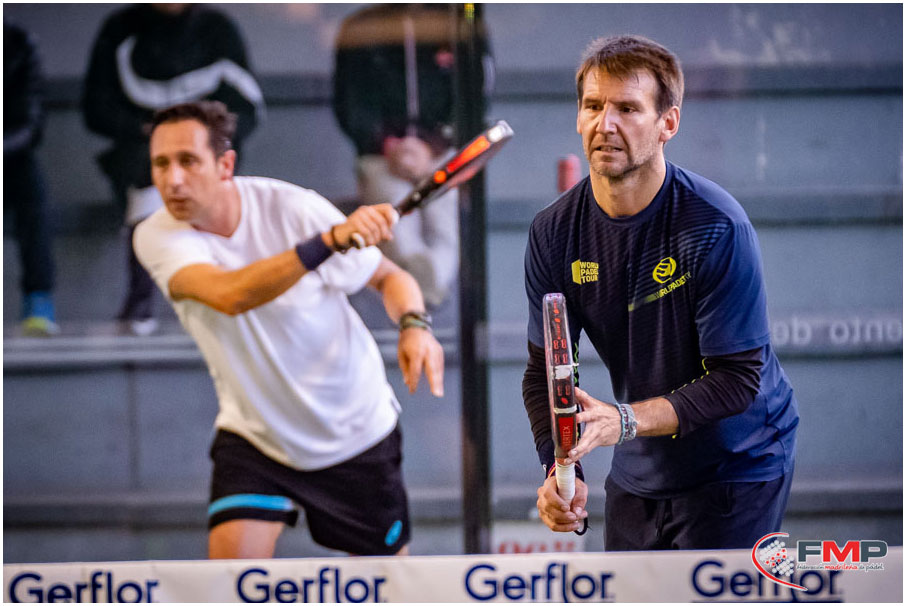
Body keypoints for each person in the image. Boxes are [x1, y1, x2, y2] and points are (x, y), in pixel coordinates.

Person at [522, 35, 799, 550]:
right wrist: (561, 472)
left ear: (668, 123)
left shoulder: (716, 226)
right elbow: (544, 372)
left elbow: (737, 380)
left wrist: (623, 420)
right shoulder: (552, 232)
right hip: (639, 466)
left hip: (737, 465)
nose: (606, 124)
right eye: (593, 106)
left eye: (627, 108)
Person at [133, 101, 444, 558]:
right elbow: (230, 295)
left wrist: (415, 325)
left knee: (388, 586)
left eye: (188, 161)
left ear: (225, 165)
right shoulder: (156, 235)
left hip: (355, 432)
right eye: (161, 163)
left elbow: (390, 277)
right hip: (256, 438)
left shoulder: (294, 208)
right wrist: (328, 242)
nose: (173, 179)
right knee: (227, 585)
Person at [83, 3, 264, 335]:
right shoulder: (122, 29)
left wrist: (204, 142)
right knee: (149, 193)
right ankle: (141, 300)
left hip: (210, 156)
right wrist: (151, 135)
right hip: (139, 158)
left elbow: (246, 106)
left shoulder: (216, 29)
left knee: (210, 205)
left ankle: (229, 295)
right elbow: (96, 107)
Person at [332, 3, 493, 309]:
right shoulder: (361, 26)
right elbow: (348, 102)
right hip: (383, 156)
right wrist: (387, 143)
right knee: (393, 220)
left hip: (443, 152)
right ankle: (415, 300)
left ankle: (419, 299)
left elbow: (478, 92)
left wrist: (436, 142)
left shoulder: (460, 20)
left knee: (447, 221)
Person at [4, 20, 58, 336]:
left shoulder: (18, 42)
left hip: (9, 155)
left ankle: (38, 300)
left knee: (33, 194)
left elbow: (31, 122)